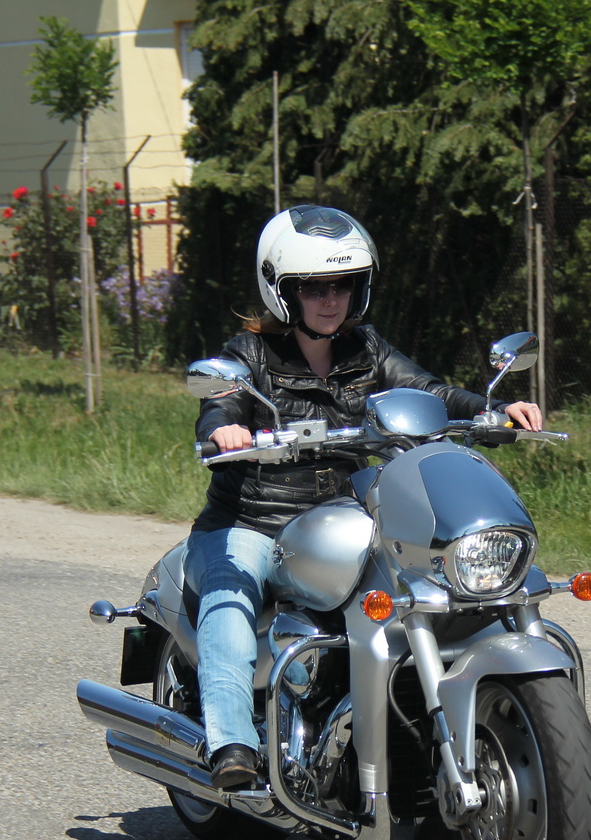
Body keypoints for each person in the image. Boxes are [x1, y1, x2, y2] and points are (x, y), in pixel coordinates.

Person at [188, 205, 545, 790]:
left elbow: (428, 391)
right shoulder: (248, 356)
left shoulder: (367, 348)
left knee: (434, 581)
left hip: (342, 519)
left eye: (344, 284)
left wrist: (493, 409)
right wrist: (225, 429)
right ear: (283, 290)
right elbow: (220, 403)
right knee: (230, 602)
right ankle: (232, 742)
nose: (332, 299)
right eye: (315, 287)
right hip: (252, 521)